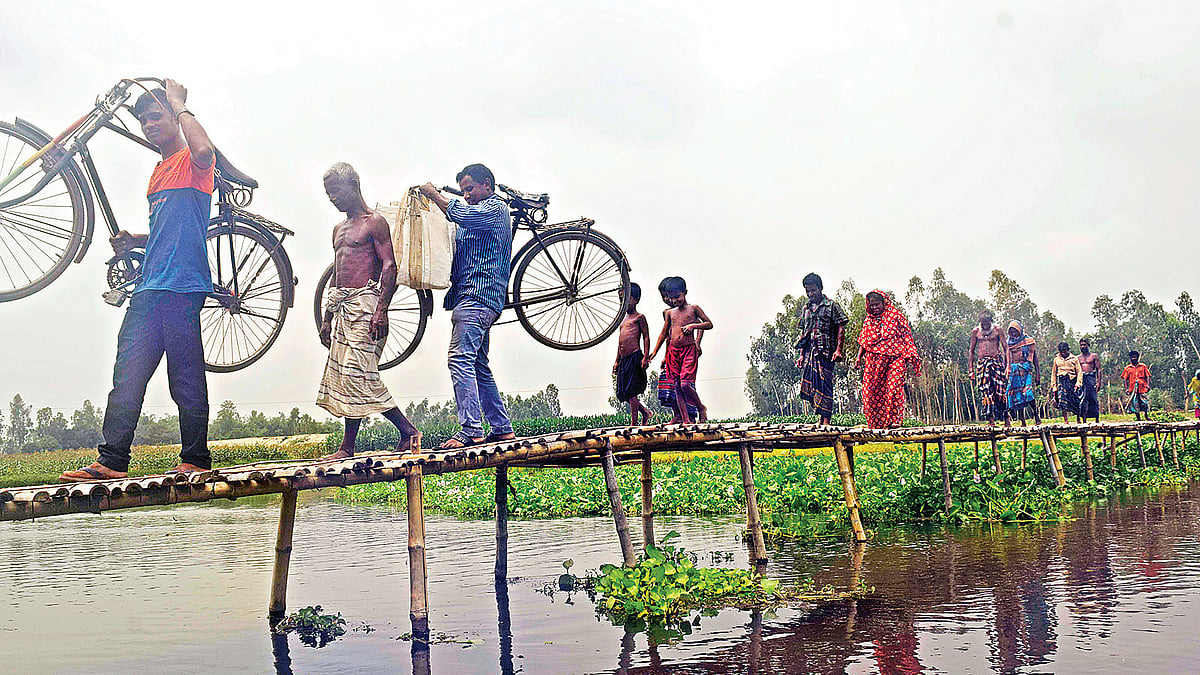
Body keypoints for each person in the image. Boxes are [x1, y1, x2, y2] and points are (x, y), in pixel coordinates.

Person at [61, 81, 215, 482]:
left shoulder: (194, 163)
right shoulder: (159, 171)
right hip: (149, 286)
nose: (149, 123)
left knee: (184, 376)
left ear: (174, 117)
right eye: (144, 118)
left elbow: (205, 150)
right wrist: (136, 240)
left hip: (183, 285)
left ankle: (195, 458)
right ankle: (112, 460)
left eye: (156, 115)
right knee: (126, 375)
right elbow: (169, 227)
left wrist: (180, 102)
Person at [316, 163, 421, 459]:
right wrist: (327, 318)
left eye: (336, 192)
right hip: (343, 309)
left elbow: (390, 265)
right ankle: (349, 447)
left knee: (356, 373)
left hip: (367, 306)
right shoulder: (338, 229)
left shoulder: (374, 222)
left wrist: (381, 310)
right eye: (328, 194)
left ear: (353, 186)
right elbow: (336, 275)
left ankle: (407, 431)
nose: (332, 198)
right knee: (349, 376)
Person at [419, 165, 515, 448]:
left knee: (459, 359)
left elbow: (461, 213)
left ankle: (471, 430)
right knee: (477, 363)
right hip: (471, 298)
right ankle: (501, 427)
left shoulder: (495, 209)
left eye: (470, 188)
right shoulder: (475, 218)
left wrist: (434, 194)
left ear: (487, 185)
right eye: (463, 191)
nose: (467, 195)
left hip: (478, 297)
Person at [649, 276, 713, 424]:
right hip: (673, 351)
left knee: (685, 384)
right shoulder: (670, 313)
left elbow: (709, 324)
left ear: (685, 293)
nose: (674, 301)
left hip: (688, 350)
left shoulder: (693, 309)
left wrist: (693, 328)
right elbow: (664, 333)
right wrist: (656, 352)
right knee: (677, 386)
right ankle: (685, 420)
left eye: (677, 297)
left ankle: (700, 407)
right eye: (671, 298)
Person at [853, 290, 921, 429]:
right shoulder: (868, 320)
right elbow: (864, 341)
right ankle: (876, 425)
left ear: (884, 303)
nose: (875, 308)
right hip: (874, 362)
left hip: (896, 359)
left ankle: (894, 421)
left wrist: (911, 353)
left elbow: (906, 335)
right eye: (872, 305)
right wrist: (859, 358)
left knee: (894, 388)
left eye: (877, 304)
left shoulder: (896, 316)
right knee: (871, 393)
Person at [793, 273, 848, 425]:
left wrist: (839, 350)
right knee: (813, 385)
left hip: (826, 352)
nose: (810, 294)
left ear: (820, 288)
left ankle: (826, 420)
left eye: (813, 290)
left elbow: (841, 327)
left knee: (825, 385)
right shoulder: (806, 308)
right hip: (811, 352)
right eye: (807, 291)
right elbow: (804, 332)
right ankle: (820, 418)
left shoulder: (831, 305)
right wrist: (801, 355)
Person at [613, 283, 652, 426]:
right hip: (624, 358)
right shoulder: (622, 320)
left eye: (628, 298)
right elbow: (620, 343)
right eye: (622, 298)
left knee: (631, 390)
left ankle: (634, 422)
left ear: (636, 300)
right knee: (624, 392)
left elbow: (646, 337)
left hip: (635, 356)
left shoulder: (639, 317)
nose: (624, 302)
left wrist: (645, 357)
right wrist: (617, 361)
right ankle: (645, 412)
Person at [969, 310, 1007, 425]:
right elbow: (971, 351)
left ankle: (1006, 418)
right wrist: (971, 369)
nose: (985, 326)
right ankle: (991, 420)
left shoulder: (997, 330)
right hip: (982, 364)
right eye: (983, 323)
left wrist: (1008, 366)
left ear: (991, 321)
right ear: (980, 322)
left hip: (996, 362)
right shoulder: (976, 332)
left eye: (987, 323)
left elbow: (1006, 348)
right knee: (986, 392)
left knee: (1000, 391)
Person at [1004, 320, 1042, 426]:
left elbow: (1035, 358)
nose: (1014, 333)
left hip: (1026, 370)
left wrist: (1038, 374)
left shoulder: (1028, 341)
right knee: (1017, 396)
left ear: (1019, 330)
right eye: (1011, 331)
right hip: (1014, 371)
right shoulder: (1009, 343)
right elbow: (1006, 359)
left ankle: (1036, 415)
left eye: (1015, 331)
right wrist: (1006, 370)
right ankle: (1023, 421)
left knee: (1028, 393)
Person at [1051, 342, 1083, 423]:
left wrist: (1078, 383)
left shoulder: (1074, 359)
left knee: (1076, 401)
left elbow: (1079, 371)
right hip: (1062, 381)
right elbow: (1053, 373)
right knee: (1062, 401)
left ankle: (1078, 419)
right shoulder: (1056, 359)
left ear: (1068, 350)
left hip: (1072, 381)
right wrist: (1054, 386)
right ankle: (1066, 420)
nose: (1063, 353)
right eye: (1061, 351)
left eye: (1065, 351)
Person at [1121, 351, 1151, 421]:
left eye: (1135, 357)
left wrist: (1148, 386)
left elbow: (1148, 376)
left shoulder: (1143, 366)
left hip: (1142, 387)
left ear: (1137, 357)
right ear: (1130, 358)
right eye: (1132, 357)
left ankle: (1146, 416)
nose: (1133, 358)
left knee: (1144, 403)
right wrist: (1127, 389)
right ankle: (1138, 418)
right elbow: (1125, 379)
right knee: (1135, 403)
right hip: (1133, 388)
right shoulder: (1127, 368)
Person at [1077, 338, 1102, 422]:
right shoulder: (1077, 358)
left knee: (1093, 399)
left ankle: (1097, 419)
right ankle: (1083, 419)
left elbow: (1099, 369)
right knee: (1082, 399)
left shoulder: (1094, 356)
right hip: (1081, 379)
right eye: (1081, 345)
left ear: (1088, 345)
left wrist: (1098, 382)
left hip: (1091, 378)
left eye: (1084, 345)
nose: (1083, 346)